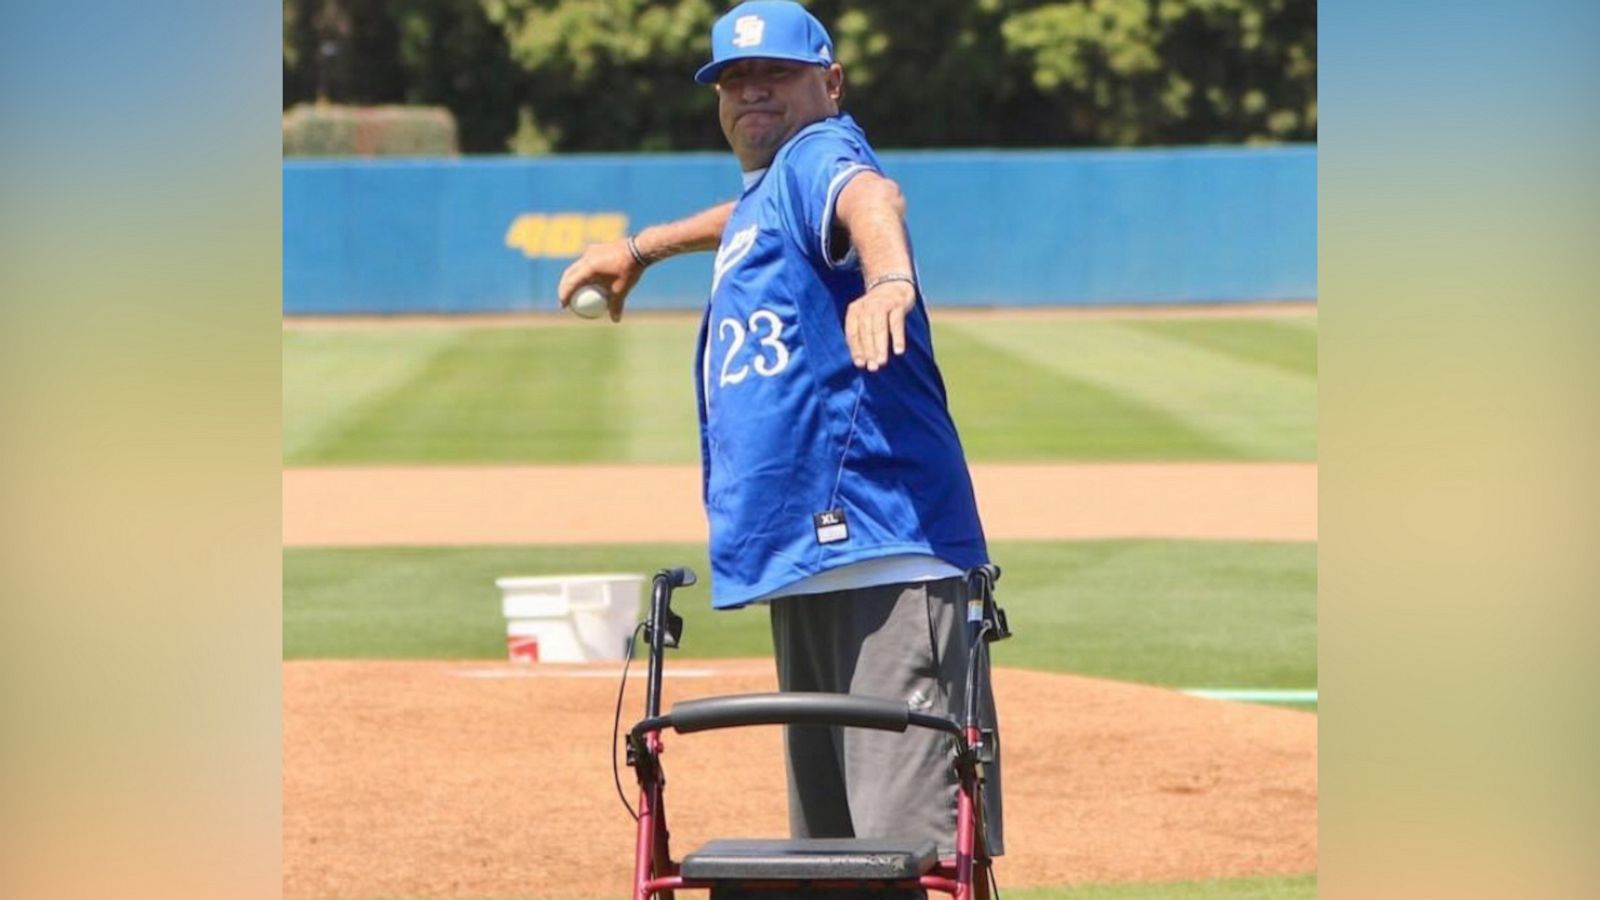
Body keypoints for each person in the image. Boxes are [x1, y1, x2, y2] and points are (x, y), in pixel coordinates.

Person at [557, 0, 1002, 859]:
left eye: (776, 75)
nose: (751, 92)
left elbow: (869, 195)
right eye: (734, 80)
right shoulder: (775, 187)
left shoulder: (822, 153)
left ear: (829, 83)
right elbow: (748, 217)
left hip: (883, 552)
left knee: (908, 856)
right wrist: (642, 249)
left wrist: (890, 286)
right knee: (835, 858)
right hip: (815, 560)